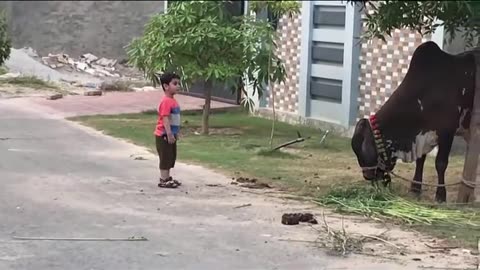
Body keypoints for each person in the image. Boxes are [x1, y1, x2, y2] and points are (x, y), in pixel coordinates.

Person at [154, 72, 182, 188]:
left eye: (178, 83)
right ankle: (163, 179)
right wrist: (169, 133)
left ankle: (168, 177)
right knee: (165, 157)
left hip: (171, 134)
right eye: (175, 83)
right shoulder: (166, 101)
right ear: (166, 86)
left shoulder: (173, 100)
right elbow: (165, 119)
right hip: (164, 134)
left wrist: (176, 133)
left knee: (170, 156)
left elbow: (174, 119)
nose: (178, 86)